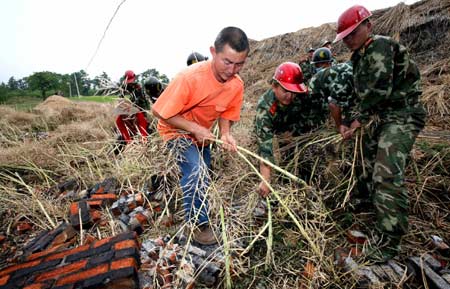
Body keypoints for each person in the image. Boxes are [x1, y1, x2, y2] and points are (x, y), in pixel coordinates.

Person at [334, 5, 426, 262]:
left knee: (385, 174)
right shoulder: (358, 57)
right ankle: (367, 205)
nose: (349, 40)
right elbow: (360, 95)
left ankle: (389, 240)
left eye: (353, 34)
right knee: (364, 158)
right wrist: (350, 120)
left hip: (403, 115)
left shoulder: (380, 47)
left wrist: (358, 120)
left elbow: (378, 91)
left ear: (368, 27)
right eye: (346, 37)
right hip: (383, 116)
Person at [152, 27, 249, 245]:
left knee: (204, 173)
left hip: (202, 135)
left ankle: (190, 203)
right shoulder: (189, 77)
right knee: (196, 172)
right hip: (175, 131)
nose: (232, 69)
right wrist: (194, 128)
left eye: (239, 64)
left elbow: (227, 112)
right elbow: (159, 111)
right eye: (227, 62)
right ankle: (197, 226)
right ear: (213, 52)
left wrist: (225, 133)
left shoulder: (236, 85)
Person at [255, 62, 327, 198]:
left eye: (293, 92)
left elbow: (318, 113)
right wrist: (265, 180)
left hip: (301, 128)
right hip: (280, 130)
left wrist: (297, 131)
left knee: (307, 156)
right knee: (287, 159)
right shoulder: (265, 109)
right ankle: (287, 190)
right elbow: (265, 148)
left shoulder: (304, 94)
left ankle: (310, 187)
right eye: (285, 91)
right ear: (274, 86)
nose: (290, 96)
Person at [308, 47, 355, 136]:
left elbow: (335, 104)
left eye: (320, 65)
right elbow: (332, 104)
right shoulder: (348, 68)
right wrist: (340, 126)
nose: (319, 68)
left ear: (330, 62)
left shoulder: (345, 73)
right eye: (318, 65)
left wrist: (340, 125)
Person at [114, 70, 150, 152]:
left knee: (146, 130)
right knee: (121, 139)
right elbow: (121, 97)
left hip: (140, 108)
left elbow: (143, 101)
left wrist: (142, 142)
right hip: (131, 107)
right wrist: (130, 143)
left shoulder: (138, 87)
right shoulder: (120, 119)